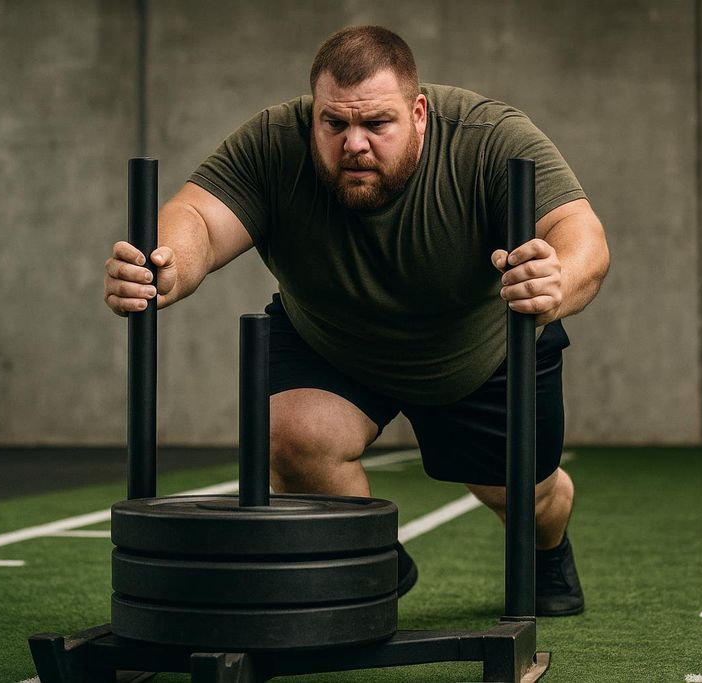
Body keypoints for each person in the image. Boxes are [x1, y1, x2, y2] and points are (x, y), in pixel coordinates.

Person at [104, 26, 609, 617]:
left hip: (475, 352)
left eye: (377, 124)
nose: (354, 145)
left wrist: (557, 280)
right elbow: (199, 218)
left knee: (526, 497)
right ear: (313, 112)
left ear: (419, 112)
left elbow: (582, 239)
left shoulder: (489, 136)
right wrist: (163, 266)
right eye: (335, 124)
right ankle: (369, 567)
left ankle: (547, 550)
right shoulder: (274, 142)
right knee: (289, 435)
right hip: (334, 344)